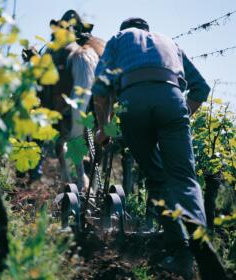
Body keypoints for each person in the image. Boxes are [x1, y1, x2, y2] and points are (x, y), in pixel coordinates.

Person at [92, 18, 226, 279]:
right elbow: (201, 88)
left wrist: (104, 129)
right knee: (185, 179)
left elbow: (100, 88)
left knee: (157, 180)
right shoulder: (170, 42)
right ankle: (201, 240)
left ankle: (182, 255)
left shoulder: (119, 40)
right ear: (147, 30)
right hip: (171, 100)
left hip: (134, 104)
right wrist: (179, 115)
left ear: (125, 30)